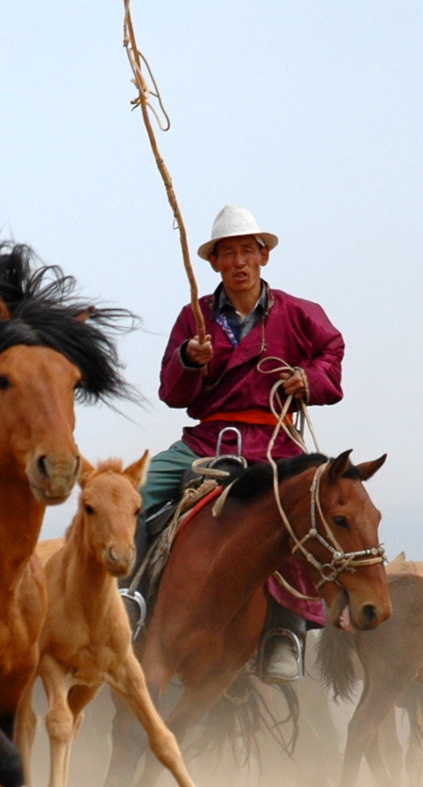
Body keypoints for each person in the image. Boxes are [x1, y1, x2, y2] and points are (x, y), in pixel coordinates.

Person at [143, 204, 345, 679]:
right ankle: (128, 598)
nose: (238, 262)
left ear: (263, 258)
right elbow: (172, 393)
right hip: (209, 439)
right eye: (228, 253)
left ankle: (286, 629)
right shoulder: (194, 319)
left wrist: (308, 377)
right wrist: (190, 359)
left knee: (317, 510)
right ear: (214, 263)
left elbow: (331, 351)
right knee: (135, 494)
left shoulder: (299, 314)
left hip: (275, 442)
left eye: (247, 252)